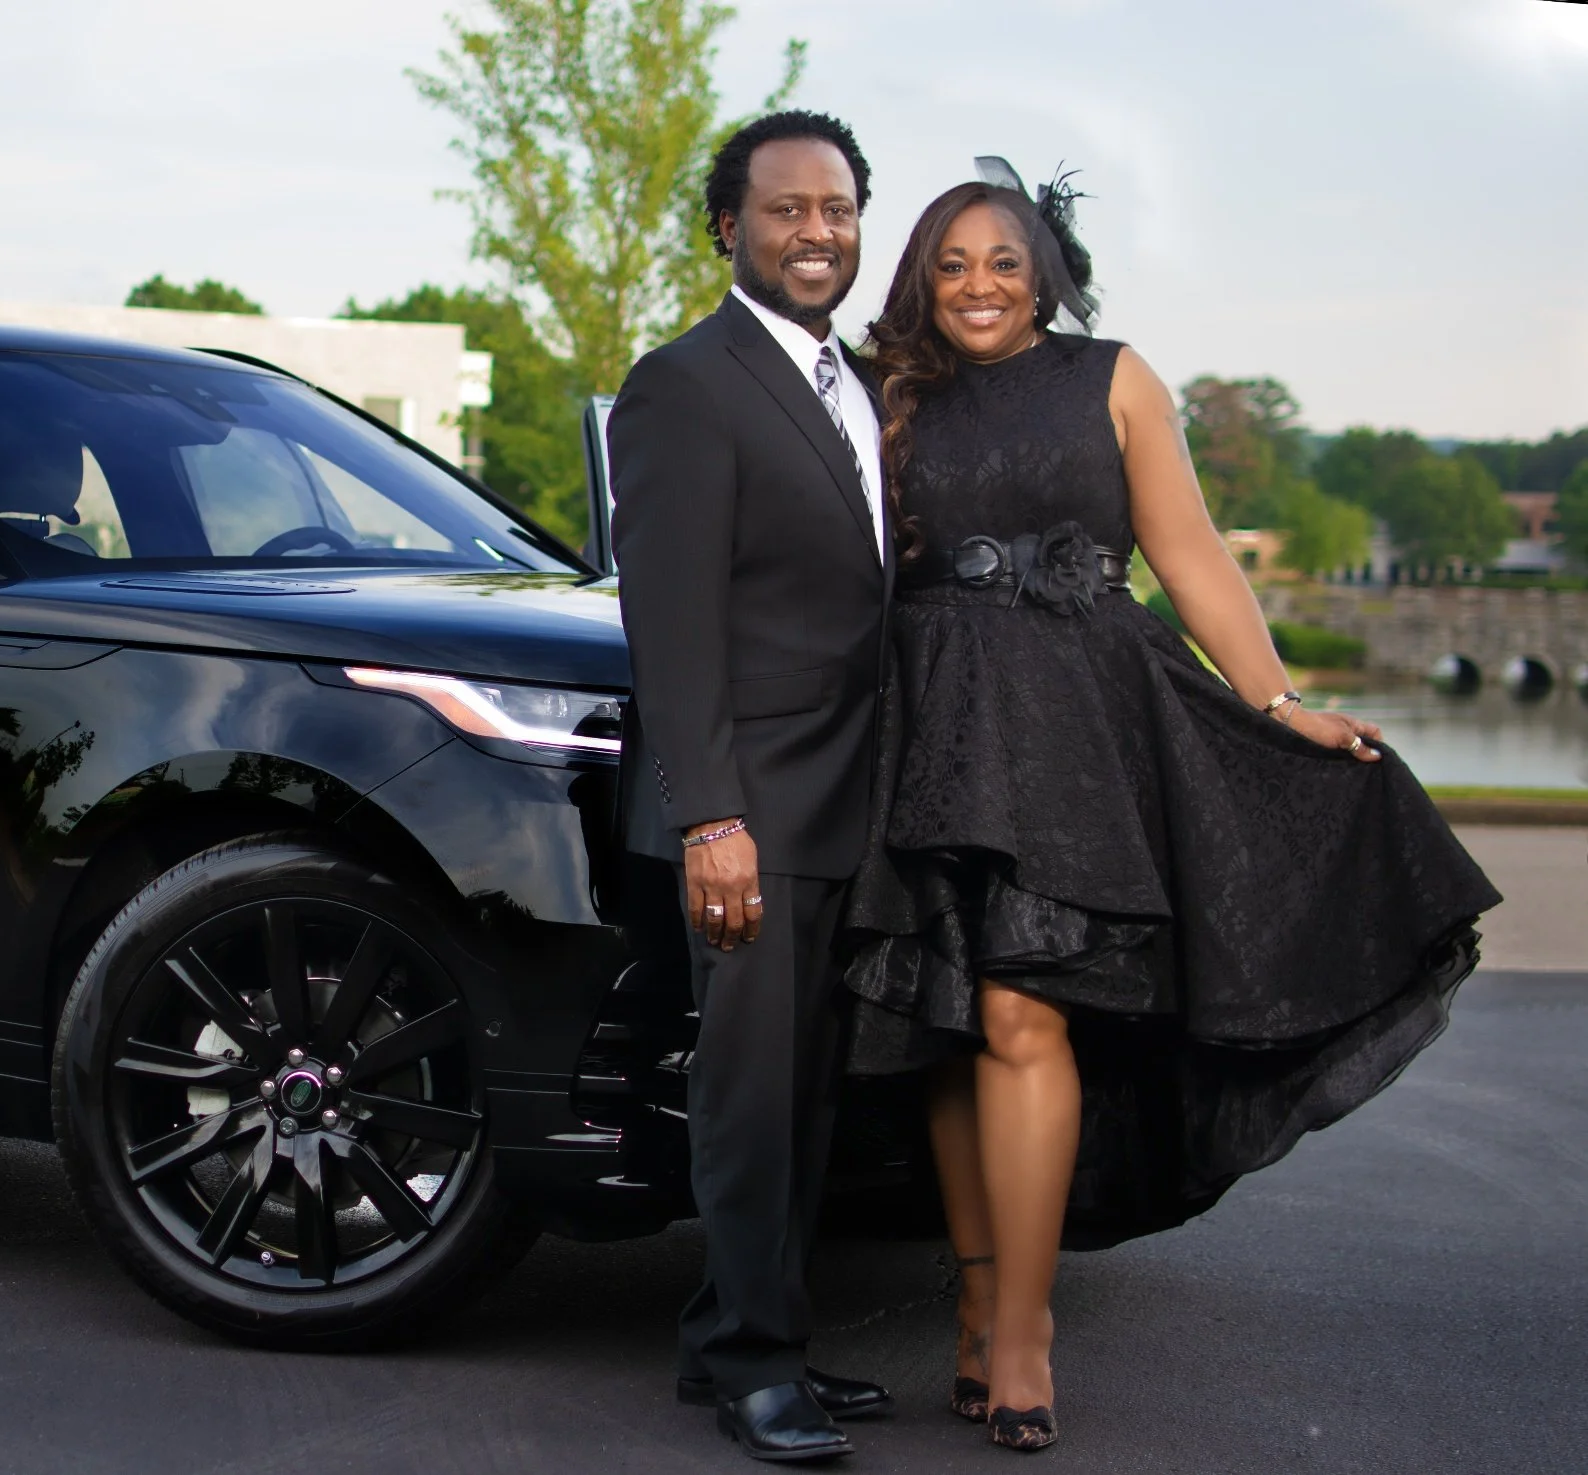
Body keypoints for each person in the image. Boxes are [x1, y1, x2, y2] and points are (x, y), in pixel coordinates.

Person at [840, 166, 1502, 1452]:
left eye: (1004, 263)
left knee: (1027, 1008)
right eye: (953, 263)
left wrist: (1274, 699)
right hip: (925, 723)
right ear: (920, 273)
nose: (978, 285)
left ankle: (1026, 1326)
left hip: (1086, 722)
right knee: (944, 1013)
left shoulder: (1114, 376)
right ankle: (974, 1306)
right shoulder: (878, 390)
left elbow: (1190, 551)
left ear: (1044, 276)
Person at [611, 110, 894, 1464]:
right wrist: (708, 815)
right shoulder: (687, 381)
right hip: (755, 805)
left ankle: (741, 1329)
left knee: (806, 1094)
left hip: (850, 792)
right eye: (786, 209)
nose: (817, 232)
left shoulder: (864, 381)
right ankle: (752, 1361)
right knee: (747, 1093)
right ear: (731, 226)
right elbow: (672, 626)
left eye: (836, 208)